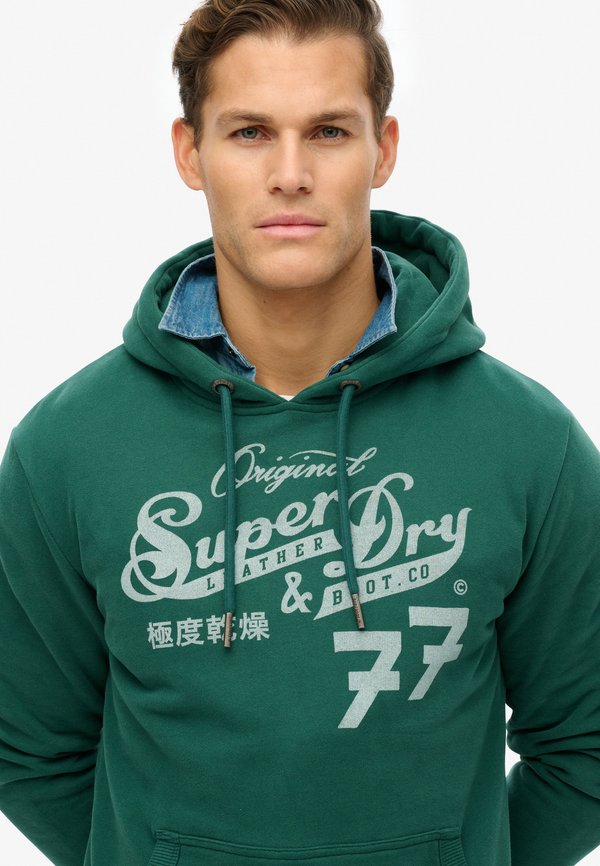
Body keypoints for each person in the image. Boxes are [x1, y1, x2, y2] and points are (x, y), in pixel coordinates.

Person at [0, 0, 599, 864]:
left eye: (327, 132)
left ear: (382, 149)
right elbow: (29, 751)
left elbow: (586, 749)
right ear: (190, 152)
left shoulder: (527, 443)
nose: (290, 174)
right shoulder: (68, 447)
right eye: (249, 132)